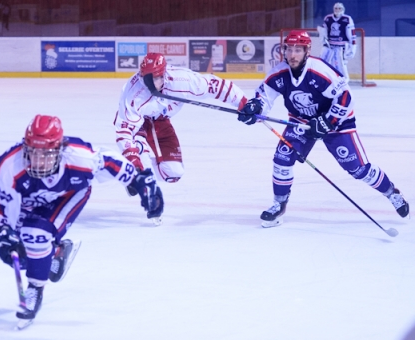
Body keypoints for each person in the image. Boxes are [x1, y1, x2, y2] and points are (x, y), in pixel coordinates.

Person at [0, 115, 163, 326]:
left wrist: (140, 182)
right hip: (29, 202)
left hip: (68, 195)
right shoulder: (9, 166)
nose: (39, 161)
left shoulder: (79, 157)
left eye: (46, 155)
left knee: (36, 236)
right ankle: (56, 252)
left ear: (60, 150)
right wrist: (1, 236)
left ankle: (35, 289)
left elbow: (109, 161)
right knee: (21, 257)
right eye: (34, 153)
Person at [237, 30, 409, 227]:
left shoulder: (319, 70)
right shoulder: (279, 73)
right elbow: (264, 98)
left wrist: (329, 121)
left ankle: (391, 193)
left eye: (298, 50)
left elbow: (345, 97)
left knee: (358, 169)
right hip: (301, 122)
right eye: (289, 49)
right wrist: (254, 109)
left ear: (307, 51)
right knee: (282, 159)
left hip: (337, 123)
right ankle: (279, 205)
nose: (292, 55)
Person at [113, 52, 247, 223]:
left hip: (161, 121)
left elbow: (214, 85)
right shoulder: (133, 93)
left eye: (156, 78)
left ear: (164, 74)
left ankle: (132, 176)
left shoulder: (182, 80)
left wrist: (243, 103)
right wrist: (134, 160)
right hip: (138, 125)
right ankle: (144, 182)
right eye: (147, 79)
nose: (150, 84)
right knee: (140, 157)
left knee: (173, 173)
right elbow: (124, 131)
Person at [318, 2, 356, 79]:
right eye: (336, 8)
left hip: (342, 47)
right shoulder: (328, 18)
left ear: (343, 9)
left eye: (339, 8)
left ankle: (343, 80)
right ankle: (325, 79)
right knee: (323, 63)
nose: (337, 10)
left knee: (341, 65)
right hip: (330, 46)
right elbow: (323, 31)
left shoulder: (347, 19)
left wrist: (352, 48)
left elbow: (352, 35)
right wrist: (323, 40)